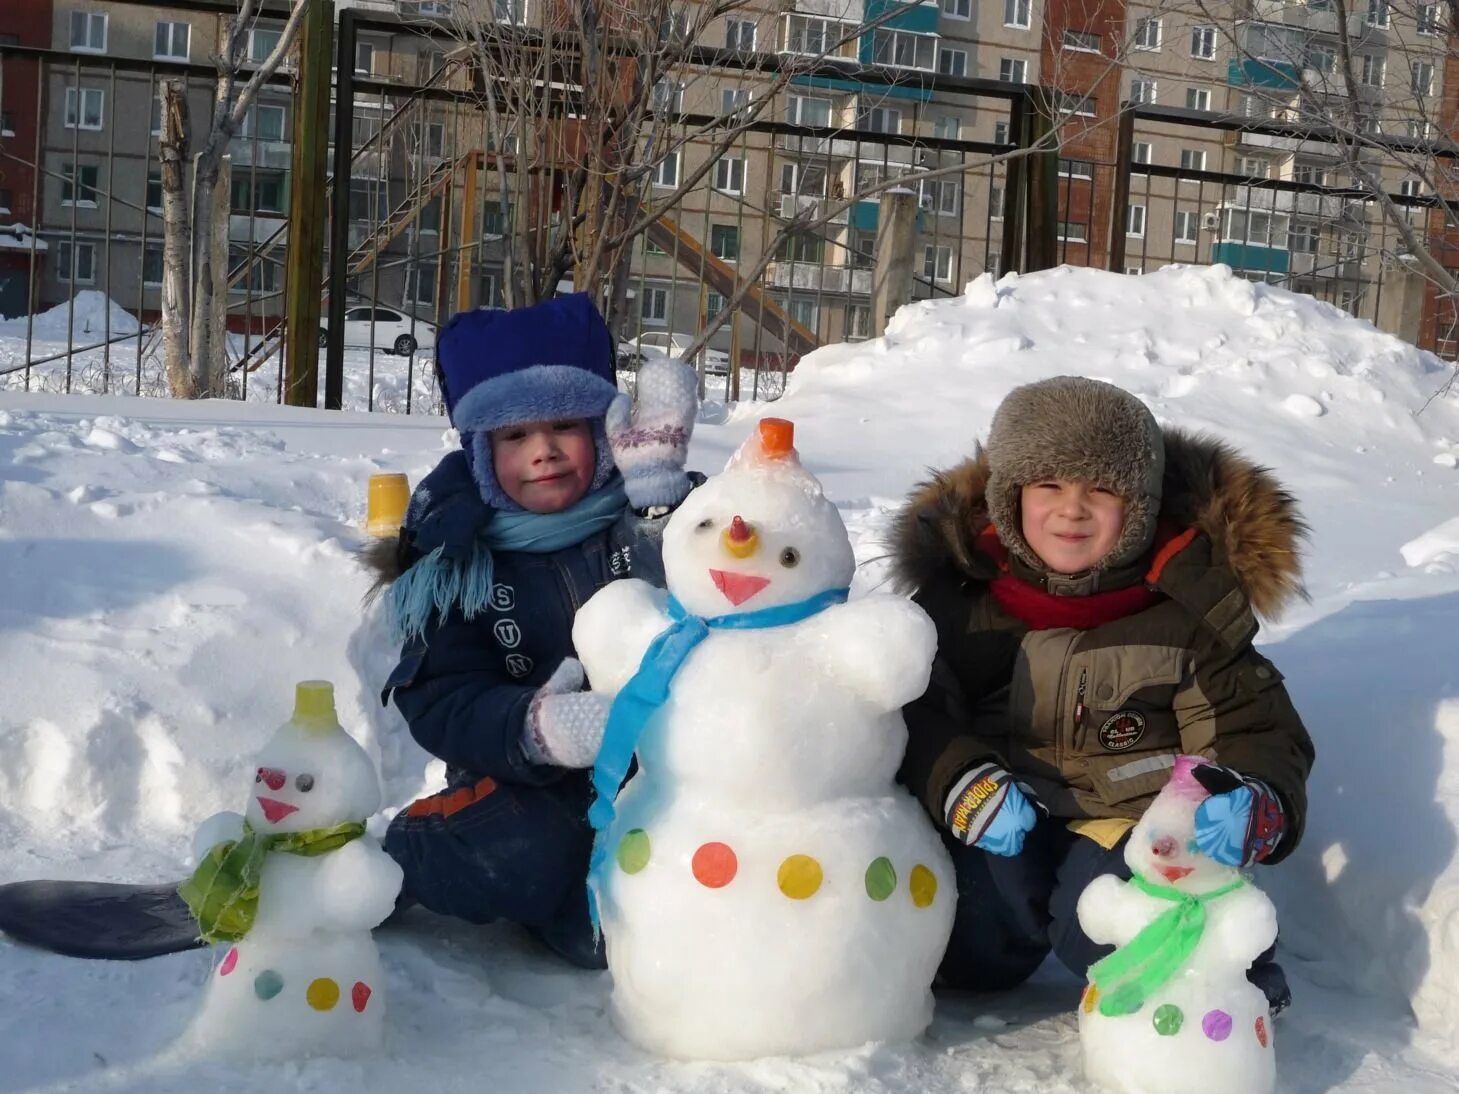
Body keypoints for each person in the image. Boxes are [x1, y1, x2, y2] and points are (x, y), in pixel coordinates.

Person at [889, 376, 1314, 1014]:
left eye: (1102, 489)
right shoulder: (962, 599)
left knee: (1137, 919)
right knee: (972, 948)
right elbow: (916, 713)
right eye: (1048, 486)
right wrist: (958, 780)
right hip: (1002, 813)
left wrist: (1255, 801)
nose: (1072, 510)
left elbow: (1252, 727)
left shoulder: (1187, 607)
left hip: (1127, 829)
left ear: (1139, 507)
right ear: (1009, 498)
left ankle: (1221, 982)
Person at [363, 293, 698, 968]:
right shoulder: (457, 559)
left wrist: (661, 508)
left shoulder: (649, 510)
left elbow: (719, 596)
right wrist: (536, 729)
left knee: (644, 901)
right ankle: (397, 856)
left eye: (565, 425)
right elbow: (441, 697)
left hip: (667, 767)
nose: (542, 452)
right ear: (482, 451)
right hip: (530, 784)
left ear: (604, 431)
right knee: (521, 849)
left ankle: (597, 909)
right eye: (514, 436)